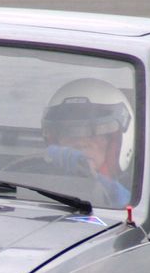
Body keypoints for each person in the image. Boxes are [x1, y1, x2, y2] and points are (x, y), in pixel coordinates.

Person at [40, 78, 133, 207]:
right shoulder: (34, 180)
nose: (81, 143)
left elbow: (128, 210)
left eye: (93, 134)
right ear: (55, 141)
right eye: (69, 132)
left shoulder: (141, 190)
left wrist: (102, 184)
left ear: (115, 142)